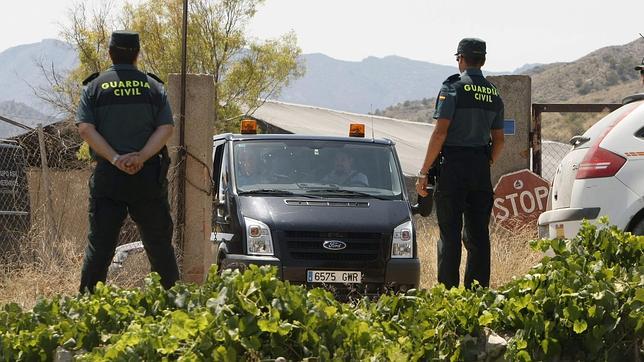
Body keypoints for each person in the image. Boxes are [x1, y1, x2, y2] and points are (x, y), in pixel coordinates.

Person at [76, 30, 180, 292]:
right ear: (137, 54)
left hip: (109, 178)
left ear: (110, 53)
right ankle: (172, 306)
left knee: (100, 246)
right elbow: (166, 128)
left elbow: (86, 129)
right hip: (147, 177)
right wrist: (141, 157)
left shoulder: (95, 87)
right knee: (158, 245)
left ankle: (87, 308)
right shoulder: (154, 87)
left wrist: (114, 158)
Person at [416, 38, 504, 289]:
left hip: (453, 167)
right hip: (480, 170)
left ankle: (448, 295)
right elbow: (499, 140)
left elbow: (440, 133)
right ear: (483, 61)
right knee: (478, 236)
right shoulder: (493, 93)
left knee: (449, 234)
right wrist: (485, 161)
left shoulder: (453, 87)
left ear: (462, 59)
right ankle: (477, 295)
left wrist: (424, 172)